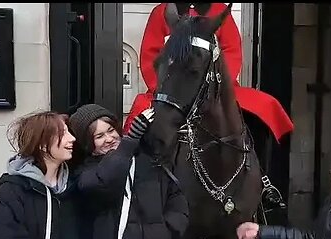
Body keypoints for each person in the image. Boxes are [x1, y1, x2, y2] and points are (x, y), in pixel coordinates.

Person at [122, 3, 294, 144]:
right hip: (174, 88)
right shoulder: (160, 13)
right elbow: (150, 55)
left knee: (264, 106)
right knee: (141, 114)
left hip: (215, 88)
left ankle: (262, 172)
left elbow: (232, 51)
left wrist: (217, 84)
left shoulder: (220, 11)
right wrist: (162, 87)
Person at [68, 103, 189, 239]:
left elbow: (175, 196)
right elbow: (106, 180)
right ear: (88, 143)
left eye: (111, 131)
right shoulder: (84, 173)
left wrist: (168, 230)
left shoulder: (146, 161)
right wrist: (129, 142)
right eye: (99, 136)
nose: (109, 139)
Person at [0, 111, 83, 239]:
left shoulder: (73, 187)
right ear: (42, 144)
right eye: (63, 134)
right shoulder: (13, 191)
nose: (72, 139)